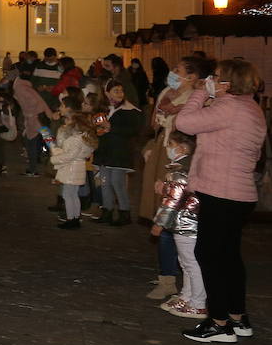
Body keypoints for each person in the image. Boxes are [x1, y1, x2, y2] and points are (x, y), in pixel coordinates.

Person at [173, 59, 264, 343]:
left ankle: (219, 322)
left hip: (221, 192)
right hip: (239, 193)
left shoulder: (229, 107)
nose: (212, 79)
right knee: (229, 257)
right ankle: (238, 317)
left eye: (217, 76)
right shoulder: (251, 108)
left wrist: (201, 93)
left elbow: (184, 122)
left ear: (228, 82)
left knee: (210, 256)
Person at [139, 56, 199, 298]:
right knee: (160, 210)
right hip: (163, 148)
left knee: (173, 214)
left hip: (182, 154)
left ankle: (176, 281)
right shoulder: (167, 92)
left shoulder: (196, 99)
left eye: (178, 70)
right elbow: (156, 122)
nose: (173, 73)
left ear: (192, 77)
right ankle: (167, 276)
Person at [151, 130, 205, 318]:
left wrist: (159, 222)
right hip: (186, 220)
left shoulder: (180, 169)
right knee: (185, 262)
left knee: (190, 263)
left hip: (186, 222)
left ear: (181, 148)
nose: (167, 149)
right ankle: (187, 296)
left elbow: (173, 200)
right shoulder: (184, 167)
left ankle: (198, 303)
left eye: (170, 145)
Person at [91, 79, 143, 226]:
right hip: (104, 151)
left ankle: (124, 212)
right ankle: (106, 211)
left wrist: (111, 127)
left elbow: (133, 131)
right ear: (107, 93)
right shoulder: (103, 109)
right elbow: (96, 128)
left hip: (119, 152)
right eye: (116, 91)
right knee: (105, 182)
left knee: (117, 183)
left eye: (121, 90)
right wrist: (97, 129)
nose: (120, 94)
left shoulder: (130, 110)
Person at [50, 109, 100, 229]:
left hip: (71, 170)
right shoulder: (85, 138)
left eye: (68, 120)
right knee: (73, 195)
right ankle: (75, 217)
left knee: (68, 195)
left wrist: (55, 158)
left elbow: (69, 155)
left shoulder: (75, 139)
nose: (65, 122)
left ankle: (71, 219)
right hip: (78, 168)